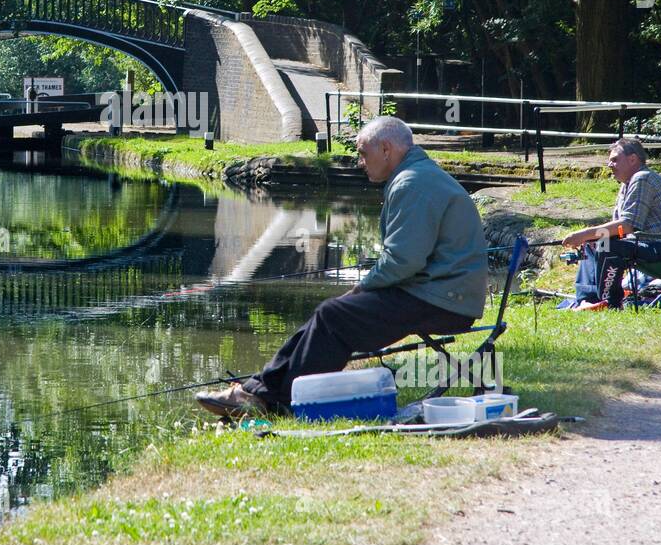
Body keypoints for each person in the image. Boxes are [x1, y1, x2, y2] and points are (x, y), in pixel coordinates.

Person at [195, 116, 488, 417]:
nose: (360, 162)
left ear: (386, 149)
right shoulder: (416, 175)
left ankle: (274, 400)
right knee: (331, 313)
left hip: (445, 300)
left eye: (363, 153)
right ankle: (258, 391)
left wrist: (362, 287)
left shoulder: (412, 183)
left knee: (334, 315)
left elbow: (403, 261)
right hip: (440, 292)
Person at [560, 138, 661, 310]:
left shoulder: (642, 178)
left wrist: (584, 233)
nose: (609, 164)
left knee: (606, 245)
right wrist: (588, 238)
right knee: (594, 243)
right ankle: (587, 301)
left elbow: (628, 225)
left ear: (632, 159)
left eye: (615, 159)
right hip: (654, 245)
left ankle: (610, 303)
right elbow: (618, 230)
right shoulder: (627, 184)